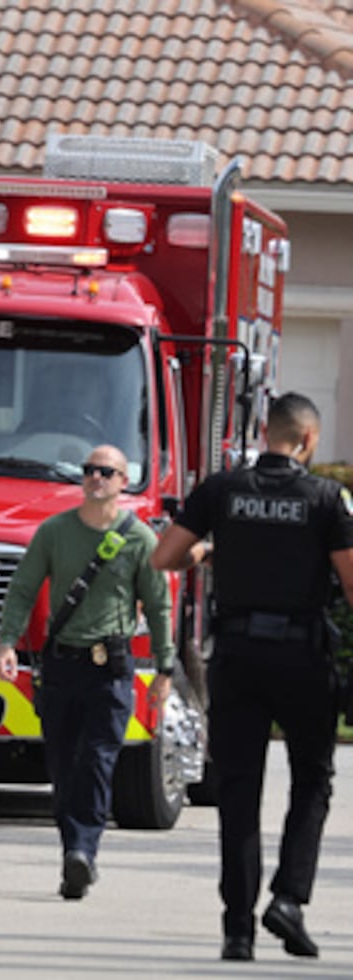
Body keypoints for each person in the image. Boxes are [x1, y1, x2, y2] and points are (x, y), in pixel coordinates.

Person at [151, 391, 353, 962]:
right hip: (302, 656)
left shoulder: (222, 489)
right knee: (312, 780)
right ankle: (288, 899)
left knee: (239, 791)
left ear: (266, 432)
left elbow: (164, 557)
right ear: (308, 440)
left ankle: (236, 928)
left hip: (237, 655)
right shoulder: (327, 497)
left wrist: (214, 553)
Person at [0, 444, 175, 900]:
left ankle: (83, 852)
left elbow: (158, 605)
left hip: (110, 670)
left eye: (106, 472)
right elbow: (22, 590)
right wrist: (7, 644)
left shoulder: (140, 539)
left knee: (96, 763)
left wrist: (165, 667)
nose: (96, 478)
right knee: (63, 767)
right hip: (61, 668)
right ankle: (72, 853)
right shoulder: (54, 532)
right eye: (90, 471)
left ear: (122, 481)